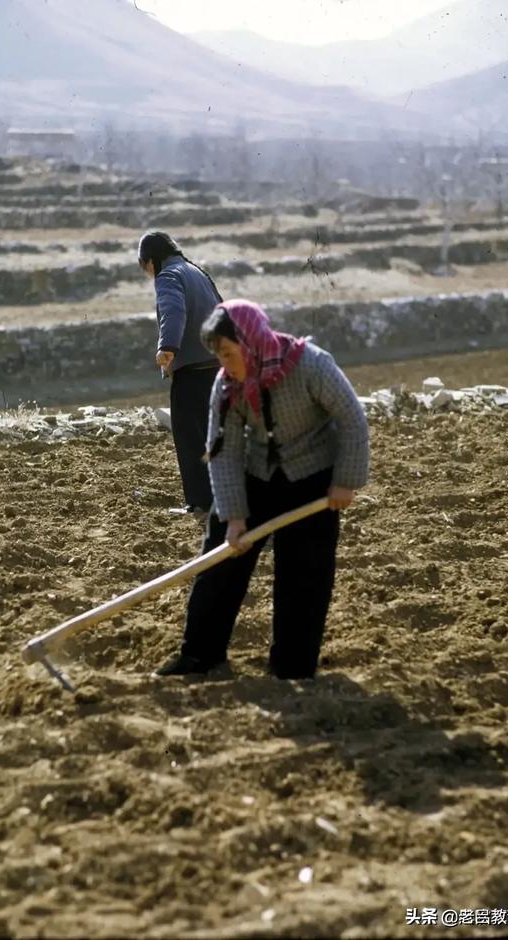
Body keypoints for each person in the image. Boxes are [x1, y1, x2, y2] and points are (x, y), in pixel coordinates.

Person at [155, 298, 370, 679]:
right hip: (256, 478)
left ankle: (292, 666)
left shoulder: (311, 364)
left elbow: (351, 418)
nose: (224, 363)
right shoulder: (226, 386)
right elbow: (223, 452)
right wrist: (234, 517)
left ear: (251, 340)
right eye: (218, 355)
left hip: (313, 479)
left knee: (304, 573)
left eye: (227, 352)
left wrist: (345, 482)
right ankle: (200, 655)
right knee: (220, 562)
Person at [138, 231, 222, 518]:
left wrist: (167, 347)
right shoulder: (198, 272)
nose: (148, 273)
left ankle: (200, 504)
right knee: (216, 437)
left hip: (192, 372)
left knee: (190, 439)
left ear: (151, 261)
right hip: (218, 367)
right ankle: (224, 499)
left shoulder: (168, 275)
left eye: (144, 266)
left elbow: (172, 312)